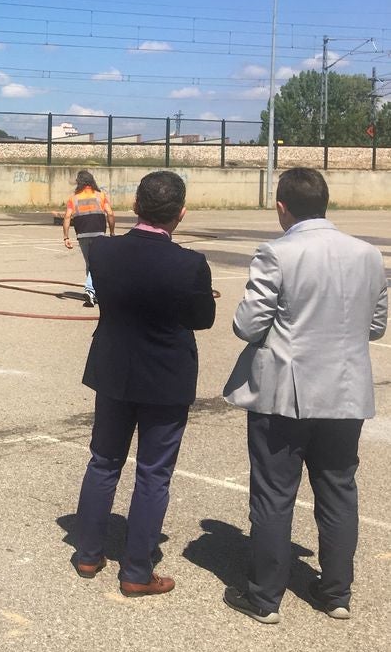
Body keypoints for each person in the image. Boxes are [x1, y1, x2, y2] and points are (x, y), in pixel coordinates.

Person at [221, 168, 387, 624]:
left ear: (282, 206)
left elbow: (247, 325)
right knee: (338, 490)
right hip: (346, 391)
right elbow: (375, 327)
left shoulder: (278, 252)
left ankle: (265, 597)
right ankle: (336, 592)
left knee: (275, 493)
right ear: (326, 201)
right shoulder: (368, 255)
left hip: (285, 393)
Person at [70, 170, 215, 596]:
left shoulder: (104, 253)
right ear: (181, 215)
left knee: (103, 461)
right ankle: (136, 570)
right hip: (165, 378)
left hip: (114, 369)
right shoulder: (190, 264)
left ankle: (88, 553)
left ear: (135, 207)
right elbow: (201, 319)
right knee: (153, 473)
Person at [62, 170, 115, 308]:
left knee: (90, 263)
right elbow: (110, 213)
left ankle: (93, 293)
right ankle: (91, 290)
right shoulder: (100, 196)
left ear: (79, 182)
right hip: (99, 233)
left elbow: (67, 217)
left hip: (82, 235)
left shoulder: (73, 198)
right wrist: (112, 232)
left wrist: (66, 237)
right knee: (96, 264)